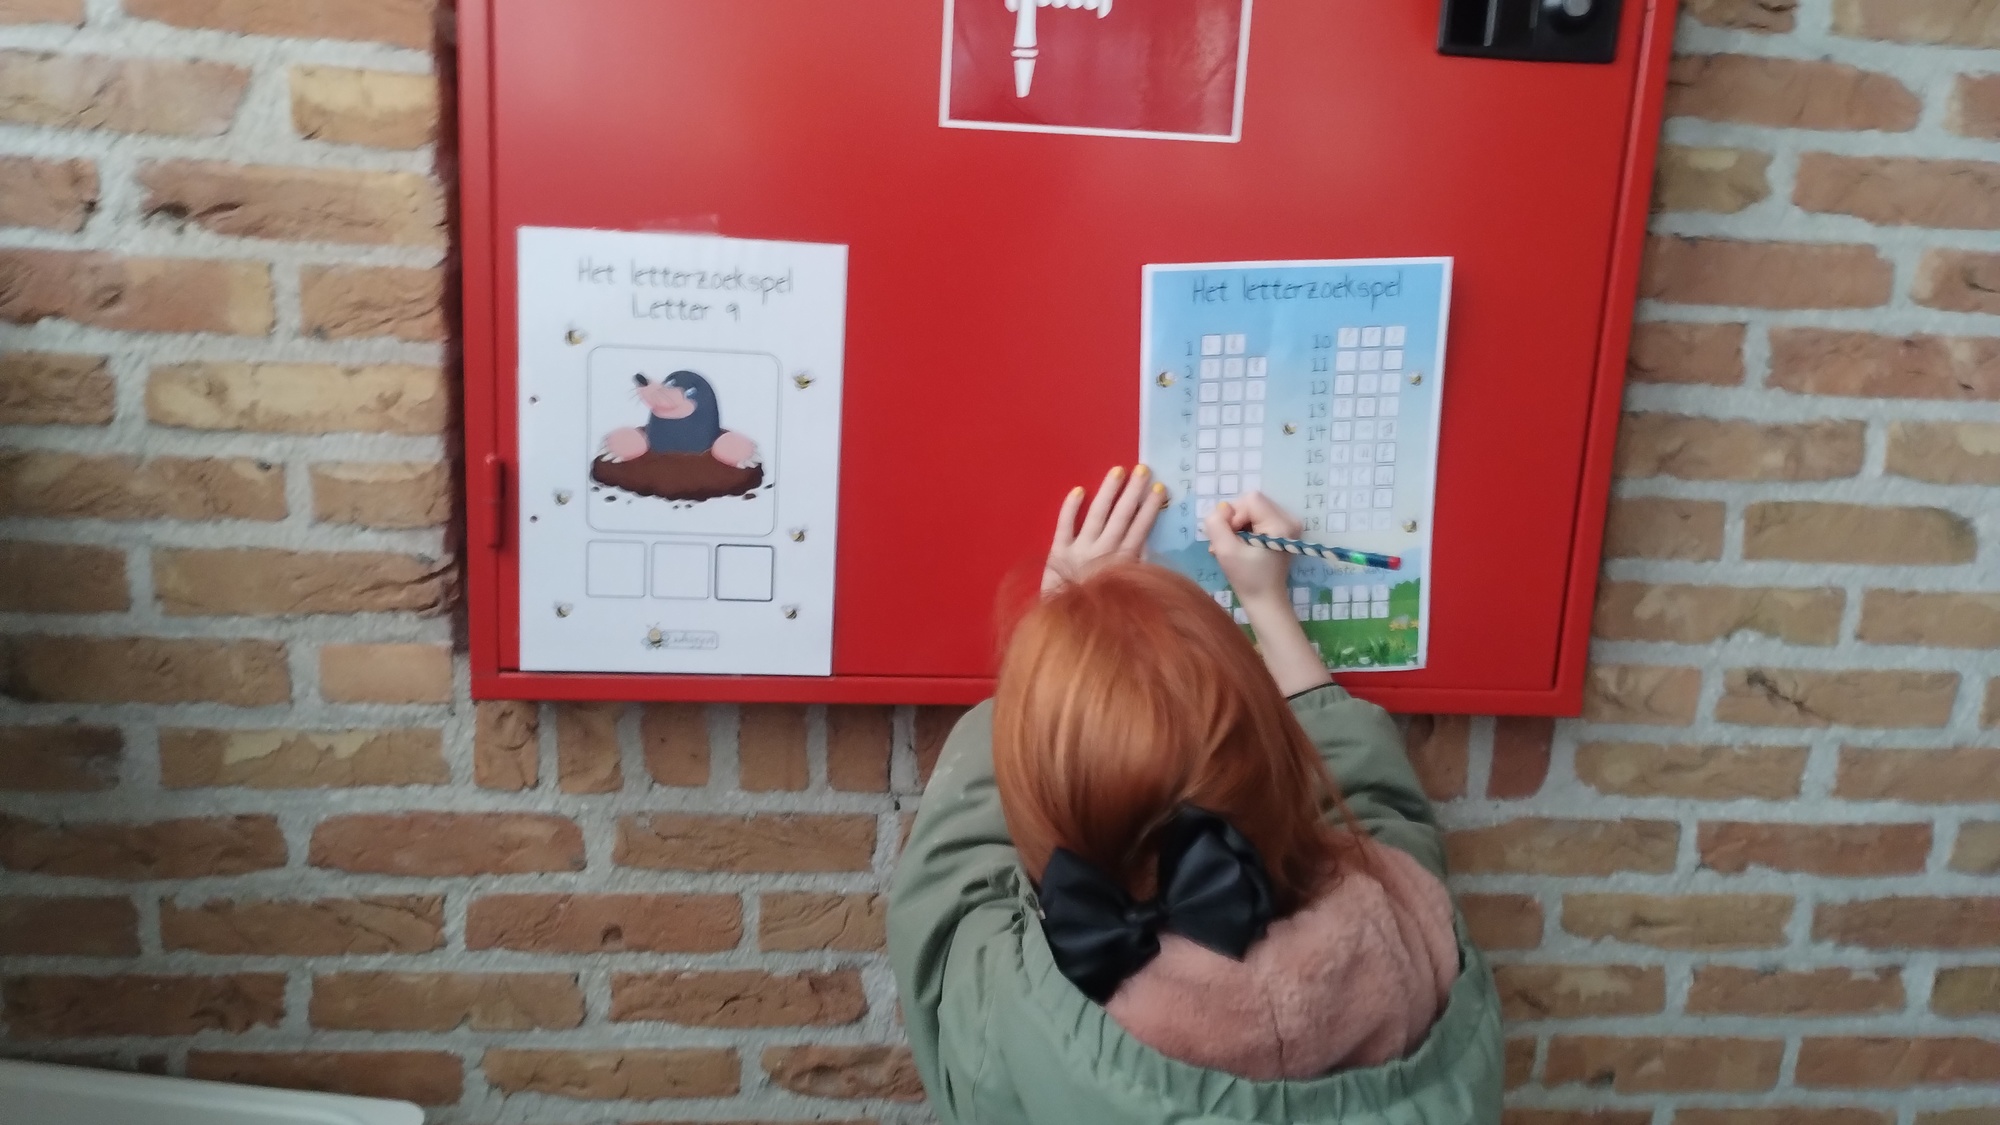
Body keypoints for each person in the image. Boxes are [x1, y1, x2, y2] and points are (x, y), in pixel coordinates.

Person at [889, 464, 1503, 1125]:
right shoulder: (1412, 932)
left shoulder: (999, 1004)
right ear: (1282, 775)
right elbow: (1377, 808)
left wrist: (1059, 660)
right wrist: (1267, 606)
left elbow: (948, 880)